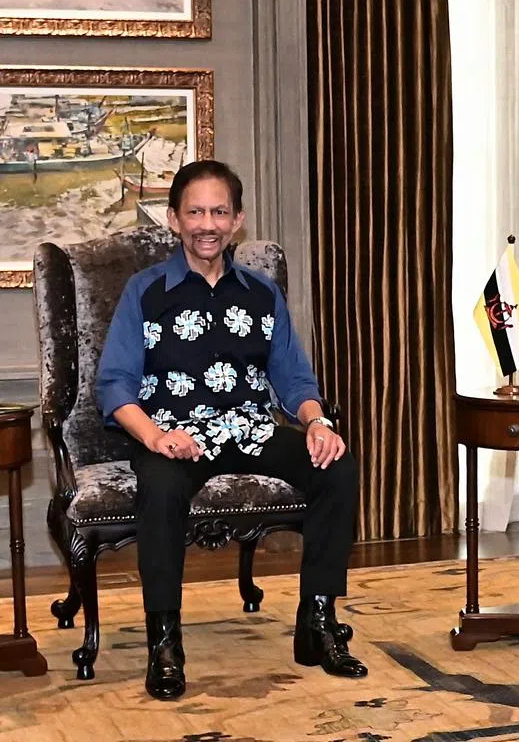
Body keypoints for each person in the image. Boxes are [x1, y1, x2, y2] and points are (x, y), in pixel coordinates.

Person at [96, 160, 367, 700]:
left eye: (219, 211)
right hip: (173, 436)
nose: (207, 223)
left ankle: (316, 622)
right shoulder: (145, 291)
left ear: (237, 220)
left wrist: (316, 422)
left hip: (249, 430)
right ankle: (165, 643)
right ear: (174, 219)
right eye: (194, 211)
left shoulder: (261, 294)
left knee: (337, 466)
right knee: (162, 486)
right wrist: (153, 437)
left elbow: (293, 375)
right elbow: (114, 385)